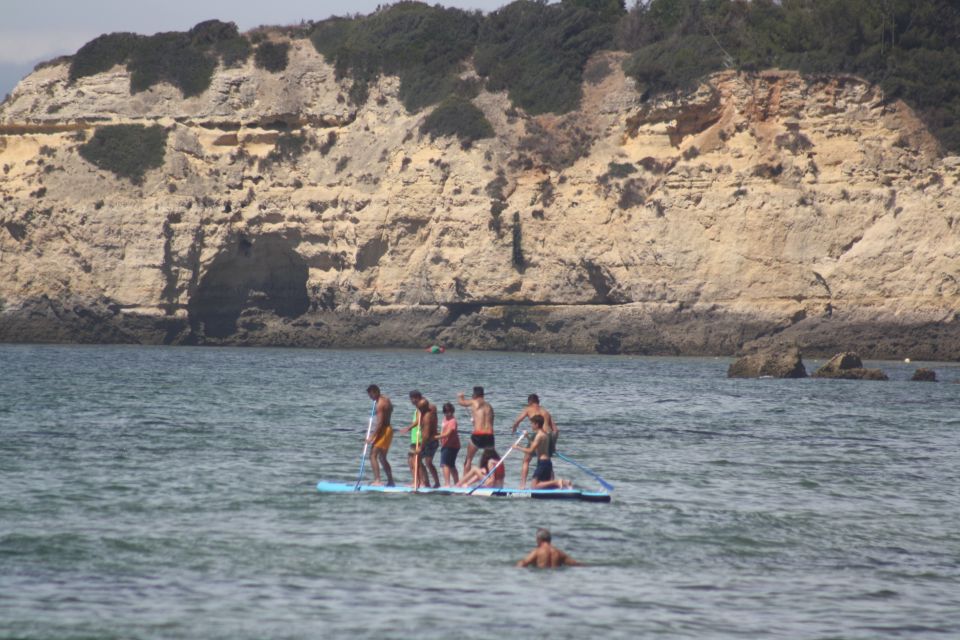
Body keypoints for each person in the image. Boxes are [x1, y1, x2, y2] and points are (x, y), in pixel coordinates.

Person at [511, 394, 558, 489]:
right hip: (548, 436)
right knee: (546, 459)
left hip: (538, 435)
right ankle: (553, 484)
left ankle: (522, 485)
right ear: (538, 402)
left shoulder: (528, 409)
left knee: (526, 460)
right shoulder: (546, 411)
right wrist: (553, 445)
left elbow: (517, 421)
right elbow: (556, 430)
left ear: (530, 402)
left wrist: (514, 428)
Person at [511, 415, 571, 490]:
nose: (531, 425)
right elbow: (536, 445)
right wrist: (527, 437)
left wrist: (517, 447)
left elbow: (530, 450)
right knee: (543, 487)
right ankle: (563, 484)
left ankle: (559, 482)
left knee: (534, 486)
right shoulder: (544, 434)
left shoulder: (539, 436)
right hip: (546, 462)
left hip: (543, 463)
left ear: (536, 424)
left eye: (532, 423)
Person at [458, 386, 495, 477]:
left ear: (475, 395)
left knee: (468, 459)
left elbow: (461, 403)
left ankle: (464, 483)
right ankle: (492, 481)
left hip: (478, 435)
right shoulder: (489, 406)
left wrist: (460, 396)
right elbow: (491, 420)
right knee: (491, 460)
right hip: (490, 435)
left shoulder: (474, 402)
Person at [365, 384, 395, 486]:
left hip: (383, 431)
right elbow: (391, 410)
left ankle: (377, 480)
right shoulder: (386, 399)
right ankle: (391, 481)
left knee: (372, 455)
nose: (370, 397)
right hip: (389, 430)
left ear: (375, 392)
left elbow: (380, 423)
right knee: (382, 457)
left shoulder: (379, 404)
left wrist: (372, 436)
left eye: (371, 395)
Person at [516, 528, 581, 568]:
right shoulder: (559, 553)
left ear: (539, 539)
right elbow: (575, 564)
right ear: (550, 539)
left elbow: (522, 564)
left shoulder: (537, 552)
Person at [415, 395, 441, 488]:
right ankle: (430, 482)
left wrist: (420, 448)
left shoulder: (427, 417)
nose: (419, 410)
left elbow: (425, 435)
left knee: (421, 460)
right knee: (426, 462)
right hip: (431, 441)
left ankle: (428, 482)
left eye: (420, 408)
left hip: (430, 442)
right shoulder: (431, 409)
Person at [439, 402, 461, 487]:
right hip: (446, 445)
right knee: (451, 465)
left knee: (445, 464)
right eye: (446, 412)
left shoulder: (453, 421)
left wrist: (435, 437)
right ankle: (457, 484)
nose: (448, 414)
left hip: (451, 445)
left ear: (452, 411)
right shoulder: (445, 419)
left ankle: (447, 484)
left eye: (450, 412)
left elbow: (447, 433)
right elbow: (442, 431)